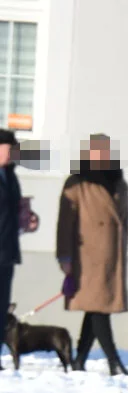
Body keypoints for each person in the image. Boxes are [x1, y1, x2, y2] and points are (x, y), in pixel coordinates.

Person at [55, 133, 128, 375]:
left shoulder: (119, 182)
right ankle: (114, 361)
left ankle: (79, 361)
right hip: (86, 255)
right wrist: (64, 257)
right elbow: (64, 223)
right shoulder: (77, 183)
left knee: (95, 307)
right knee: (99, 308)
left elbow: (124, 220)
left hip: (112, 255)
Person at [0, 128, 39, 365]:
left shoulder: (10, 176)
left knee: (2, 308)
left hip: (7, 251)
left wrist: (28, 220)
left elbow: (12, 212)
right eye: (9, 148)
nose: (13, 153)